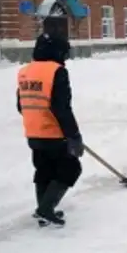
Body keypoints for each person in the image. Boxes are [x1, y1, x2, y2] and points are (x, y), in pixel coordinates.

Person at [17, 33, 84, 227]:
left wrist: (35, 120)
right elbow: (61, 107)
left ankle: (44, 209)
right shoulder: (56, 71)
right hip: (54, 133)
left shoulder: (25, 71)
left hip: (33, 131)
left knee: (44, 169)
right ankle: (45, 209)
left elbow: (21, 105)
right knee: (70, 169)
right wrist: (73, 136)